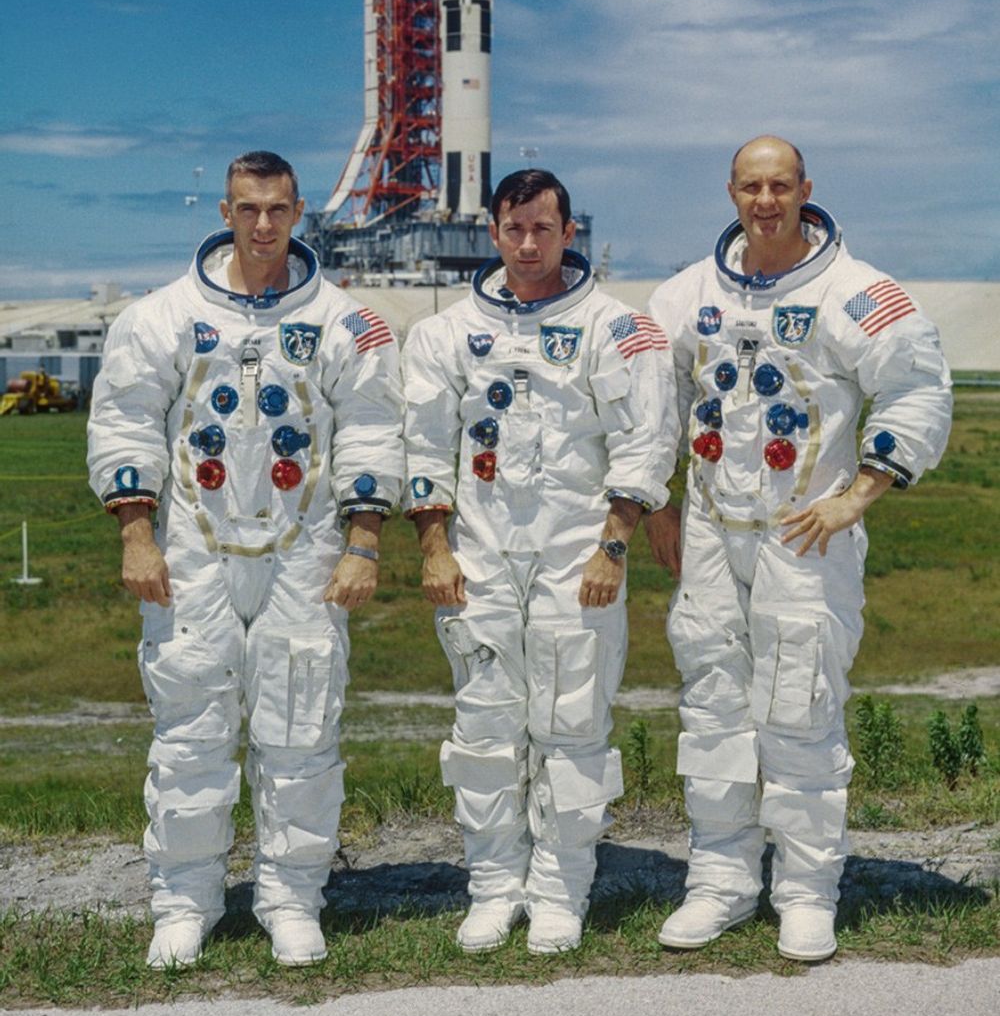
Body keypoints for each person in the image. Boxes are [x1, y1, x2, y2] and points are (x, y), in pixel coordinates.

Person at [87, 151, 403, 969]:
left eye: (277, 210)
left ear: (299, 211)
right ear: (225, 210)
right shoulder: (161, 316)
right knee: (189, 726)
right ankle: (184, 901)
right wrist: (135, 532)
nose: (263, 225)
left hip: (306, 547)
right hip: (193, 540)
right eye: (247, 209)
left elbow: (372, 426)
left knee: (300, 726)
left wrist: (364, 542)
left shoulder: (346, 319)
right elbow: (124, 420)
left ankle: (291, 898)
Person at [647, 135, 952, 962]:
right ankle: (719, 881)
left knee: (800, 706)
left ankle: (807, 892)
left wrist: (861, 490)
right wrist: (657, 501)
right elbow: (652, 392)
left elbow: (920, 385)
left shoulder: (856, 292)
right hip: (712, 528)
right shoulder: (688, 293)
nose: (766, 200)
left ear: (805, 189)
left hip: (803, 533)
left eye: (781, 185)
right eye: (752, 186)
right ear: (732, 192)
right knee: (712, 705)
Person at [402, 169, 678, 955]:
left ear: (568, 233)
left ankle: (560, 891)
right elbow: (423, 445)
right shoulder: (443, 334)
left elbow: (645, 440)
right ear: (492, 231)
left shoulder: (617, 328)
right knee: (486, 728)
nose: (528, 243)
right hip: (480, 553)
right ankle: (493, 886)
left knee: (572, 724)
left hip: (575, 552)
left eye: (544, 229)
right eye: (514, 228)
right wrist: (433, 545)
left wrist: (613, 543)